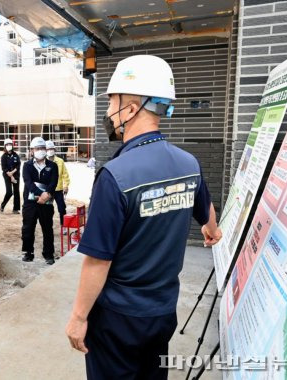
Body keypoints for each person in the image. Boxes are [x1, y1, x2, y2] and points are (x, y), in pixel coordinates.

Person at [64, 55, 223, 379]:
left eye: (112, 102)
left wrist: (79, 317)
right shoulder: (188, 164)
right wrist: (211, 231)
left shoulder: (115, 176)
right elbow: (206, 212)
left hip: (117, 318)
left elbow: (98, 261)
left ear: (132, 108)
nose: (109, 112)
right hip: (163, 312)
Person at [21, 137, 58, 265]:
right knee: (28, 228)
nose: (40, 151)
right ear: (32, 150)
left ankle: (48, 254)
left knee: (47, 229)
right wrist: (41, 194)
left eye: (42, 148)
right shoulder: (27, 166)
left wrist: (46, 195)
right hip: (30, 203)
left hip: (46, 203)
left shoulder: (52, 166)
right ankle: (28, 252)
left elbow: (53, 183)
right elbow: (28, 183)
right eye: (37, 148)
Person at [45, 140, 70, 229]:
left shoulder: (60, 161)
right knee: (47, 210)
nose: (50, 150)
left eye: (52, 148)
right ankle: (48, 226)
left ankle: (63, 226)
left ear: (54, 149)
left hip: (58, 189)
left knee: (62, 208)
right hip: (48, 190)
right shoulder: (43, 161)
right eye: (48, 149)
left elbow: (65, 174)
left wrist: (66, 185)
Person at [0, 138, 21, 214]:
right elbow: (4, 168)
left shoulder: (16, 155)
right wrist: (10, 175)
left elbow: (18, 165)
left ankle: (16, 209)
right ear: (5, 146)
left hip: (16, 174)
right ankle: (2, 205)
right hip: (7, 175)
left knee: (16, 191)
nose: (9, 146)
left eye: (10, 144)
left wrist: (13, 173)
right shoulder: (3, 156)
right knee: (9, 192)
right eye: (7, 145)